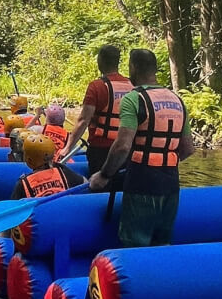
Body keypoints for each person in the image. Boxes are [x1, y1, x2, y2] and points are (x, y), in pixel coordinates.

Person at [88, 48, 195, 248]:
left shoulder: (134, 99)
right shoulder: (177, 100)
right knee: (162, 243)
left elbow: (121, 146)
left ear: (133, 67)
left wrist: (104, 175)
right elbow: (188, 148)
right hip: (171, 184)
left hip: (142, 183)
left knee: (134, 243)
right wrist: (163, 159)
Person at [63, 45, 134, 175]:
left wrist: (68, 147)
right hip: (128, 148)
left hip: (101, 150)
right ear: (117, 62)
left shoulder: (97, 87)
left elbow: (83, 120)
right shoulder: (133, 86)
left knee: (100, 186)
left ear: (100, 61)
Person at [11, 133, 85, 199]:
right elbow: (85, 182)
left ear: (29, 160)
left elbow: (13, 209)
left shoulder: (23, 184)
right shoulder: (63, 171)